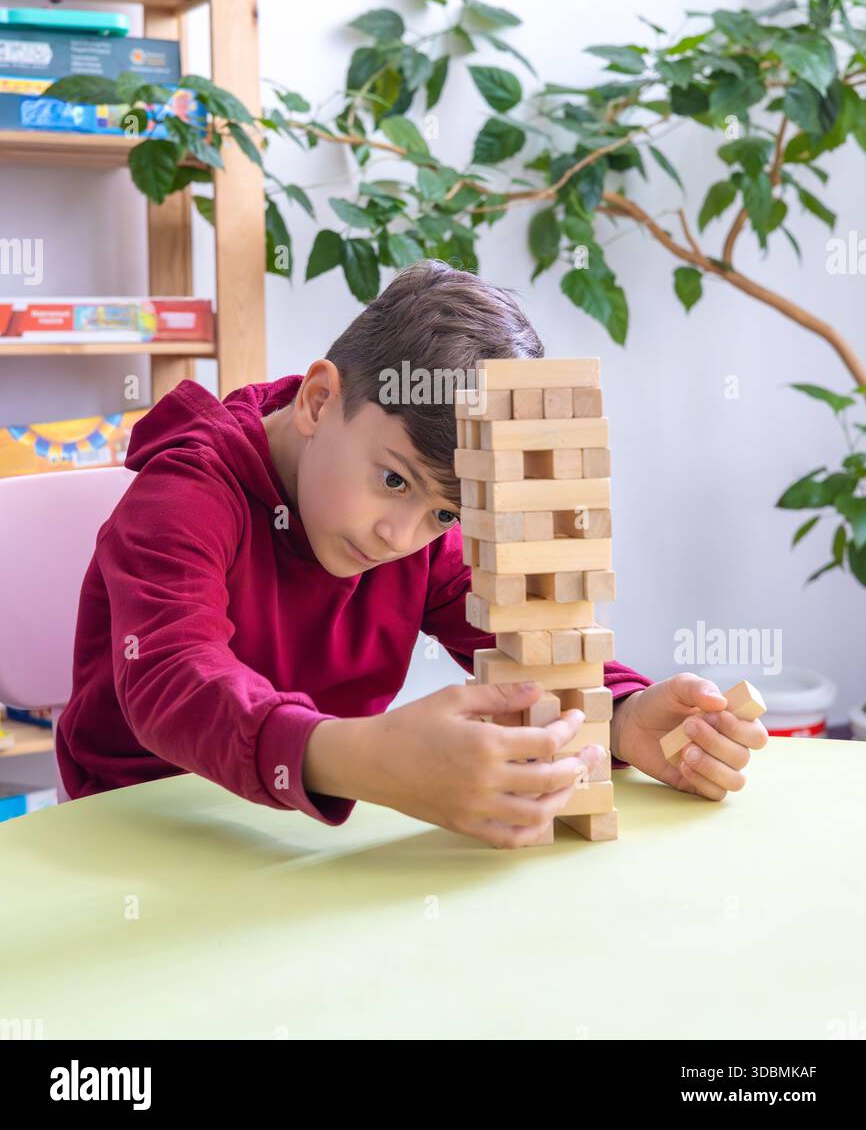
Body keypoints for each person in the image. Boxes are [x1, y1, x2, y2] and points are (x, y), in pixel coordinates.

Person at [56, 261, 767, 847]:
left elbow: (521, 632)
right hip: (137, 828)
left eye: (444, 512)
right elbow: (173, 678)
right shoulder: (184, 494)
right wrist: (367, 759)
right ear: (318, 400)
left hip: (310, 831)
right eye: (393, 480)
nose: (399, 537)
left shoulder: (420, 532)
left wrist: (624, 713)